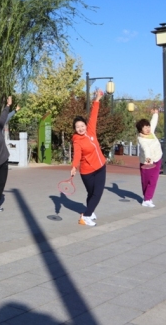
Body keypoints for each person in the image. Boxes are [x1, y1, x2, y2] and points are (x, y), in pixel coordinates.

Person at [70, 89, 106, 227]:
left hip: (101, 166)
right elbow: (77, 154)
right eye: (77, 127)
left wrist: (97, 99)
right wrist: (74, 166)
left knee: (97, 193)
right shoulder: (77, 140)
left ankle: (89, 213)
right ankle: (86, 216)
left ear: (85, 125)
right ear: (75, 129)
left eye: (82, 125)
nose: (80, 128)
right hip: (87, 171)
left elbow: (94, 115)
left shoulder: (90, 130)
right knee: (92, 193)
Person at [136, 109, 163, 207]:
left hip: (157, 158)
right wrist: (148, 159)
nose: (147, 128)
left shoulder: (151, 133)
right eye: (145, 127)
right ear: (140, 130)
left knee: (153, 180)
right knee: (146, 180)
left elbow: (153, 122)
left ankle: (147, 199)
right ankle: (146, 197)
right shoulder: (141, 139)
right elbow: (146, 149)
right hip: (146, 162)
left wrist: (155, 114)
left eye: (148, 126)